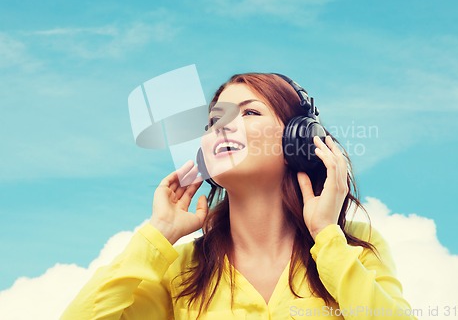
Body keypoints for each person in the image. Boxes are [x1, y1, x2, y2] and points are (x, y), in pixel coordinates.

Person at [61, 72, 416, 319]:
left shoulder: (354, 246)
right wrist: (158, 234)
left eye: (249, 112)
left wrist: (326, 237)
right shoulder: (180, 269)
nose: (223, 126)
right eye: (214, 121)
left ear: (299, 140)